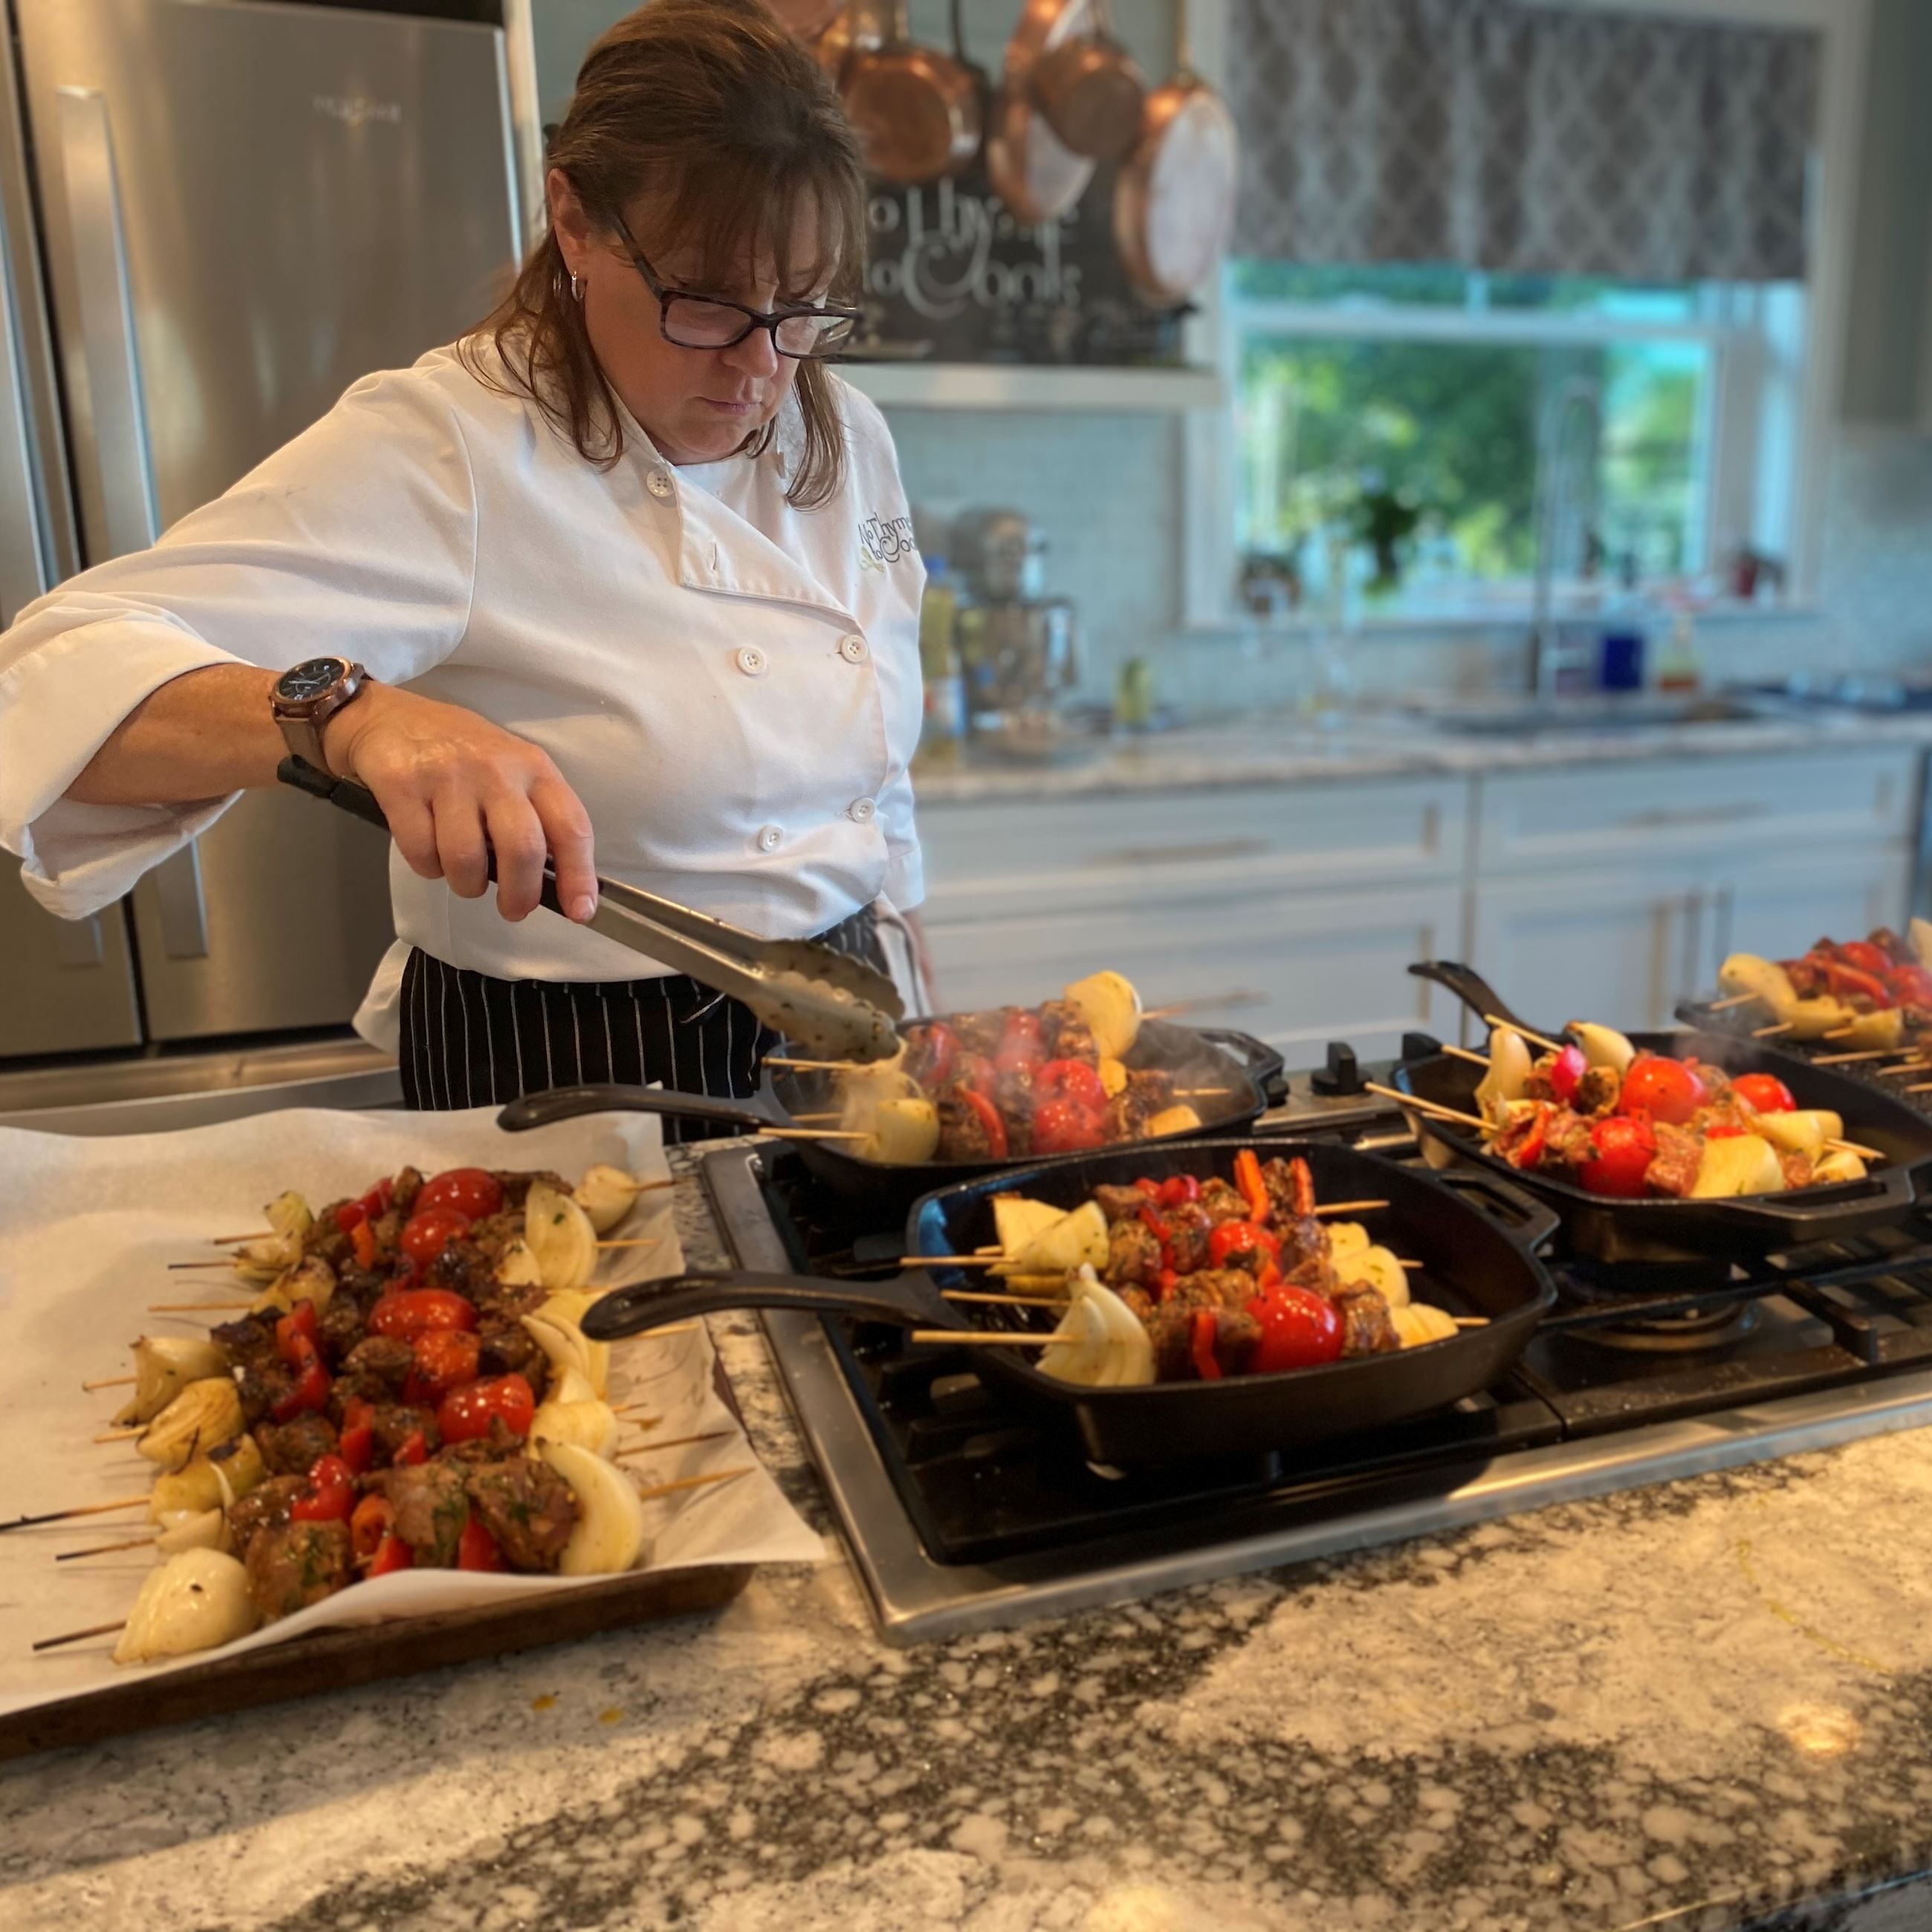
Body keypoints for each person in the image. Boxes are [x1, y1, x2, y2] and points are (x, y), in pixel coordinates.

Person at [0, 0, 927, 1130]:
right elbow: (47, 677)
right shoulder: (456, 444)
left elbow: (873, 755)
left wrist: (905, 929)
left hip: (842, 1017)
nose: (761, 368)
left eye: (804, 308)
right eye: (705, 303)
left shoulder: (845, 431)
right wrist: (351, 718)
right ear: (575, 221)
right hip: (573, 1055)